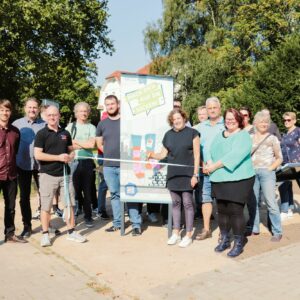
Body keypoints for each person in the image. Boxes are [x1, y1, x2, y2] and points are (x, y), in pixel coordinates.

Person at [205, 108, 255, 257]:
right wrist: (208, 162)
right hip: (219, 178)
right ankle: (225, 239)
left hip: (239, 179)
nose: (230, 121)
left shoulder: (243, 136)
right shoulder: (219, 135)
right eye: (227, 118)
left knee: (235, 211)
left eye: (233, 118)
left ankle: (239, 243)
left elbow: (235, 155)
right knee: (222, 211)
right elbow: (208, 149)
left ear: (239, 119)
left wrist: (213, 166)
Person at [34, 105, 86, 246]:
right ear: (45, 116)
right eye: (49, 115)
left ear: (59, 116)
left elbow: (70, 151)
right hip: (47, 175)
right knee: (46, 205)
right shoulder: (41, 134)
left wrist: (70, 156)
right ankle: (45, 234)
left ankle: (71, 231)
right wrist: (58, 157)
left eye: (55, 115)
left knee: (69, 203)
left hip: (65, 175)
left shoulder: (65, 133)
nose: (52, 117)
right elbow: (38, 154)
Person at [148, 108, 200, 247]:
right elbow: (162, 154)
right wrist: (151, 154)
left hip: (188, 175)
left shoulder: (193, 133)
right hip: (173, 175)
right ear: (171, 122)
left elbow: (197, 156)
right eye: (174, 119)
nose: (176, 121)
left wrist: (195, 175)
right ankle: (176, 233)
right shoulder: (168, 135)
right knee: (175, 204)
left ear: (184, 118)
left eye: (179, 118)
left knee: (188, 203)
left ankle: (188, 234)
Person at [96, 95, 142, 236]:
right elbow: (99, 144)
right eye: (107, 104)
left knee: (129, 194)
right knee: (115, 195)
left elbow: (135, 141)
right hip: (109, 166)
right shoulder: (102, 124)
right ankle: (117, 223)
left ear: (118, 105)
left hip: (126, 165)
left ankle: (136, 224)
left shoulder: (127, 122)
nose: (110, 106)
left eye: (112, 103)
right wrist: (110, 154)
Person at [247, 111, 283, 241]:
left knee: (270, 202)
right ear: (255, 123)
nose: (263, 124)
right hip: (252, 173)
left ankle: (277, 231)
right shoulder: (248, 137)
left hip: (267, 173)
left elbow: (279, 158)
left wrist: (270, 169)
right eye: (261, 121)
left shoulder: (272, 138)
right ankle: (254, 228)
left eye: (266, 122)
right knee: (253, 202)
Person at [12, 97, 45, 238]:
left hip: (41, 166)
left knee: (45, 196)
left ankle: (46, 224)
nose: (32, 110)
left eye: (34, 107)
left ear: (38, 109)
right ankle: (27, 226)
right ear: (25, 108)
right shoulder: (16, 124)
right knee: (24, 197)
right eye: (29, 107)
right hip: (22, 165)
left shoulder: (44, 125)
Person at [194, 96, 225, 240]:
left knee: (222, 201)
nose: (212, 110)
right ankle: (206, 229)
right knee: (206, 199)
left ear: (219, 108)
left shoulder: (227, 124)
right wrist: (201, 165)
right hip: (206, 170)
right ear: (206, 110)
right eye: (209, 108)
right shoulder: (200, 127)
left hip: (222, 170)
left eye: (215, 108)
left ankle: (223, 231)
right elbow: (197, 149)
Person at [0, 99, 27, 243]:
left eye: (7, 110)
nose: (5, 113)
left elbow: (14, 151)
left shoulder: (15, 132)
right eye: (2, 110)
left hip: (11, 174)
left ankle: (10, 234)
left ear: (10, 112)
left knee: (10, 206)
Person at [66, 102, 96, 228]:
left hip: (87, 162)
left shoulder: (92, 127)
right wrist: (83, 143)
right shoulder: (70, 127)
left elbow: (91, 145)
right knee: (74, 191)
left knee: (88, 190)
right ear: (76, 113)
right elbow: (67, 146)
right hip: (73, 162)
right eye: (80, 111)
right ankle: (76, 214)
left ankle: (88, 216)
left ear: (88, 113)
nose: (83, 113)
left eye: (85, 111)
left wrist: (76, 141)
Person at [279, 112, 300, 220]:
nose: (286, 122)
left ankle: (285, 210)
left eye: (289, 120)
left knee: (286, 185)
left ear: (294, 120)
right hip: (286, 164)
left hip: (297, 164)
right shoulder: (285, 134)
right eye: (285, 120)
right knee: (285, 185)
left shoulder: (298, 131)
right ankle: (288, 209)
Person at [193, 105, 208, 219]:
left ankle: (207, 210)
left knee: (209, 189)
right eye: (200, 114)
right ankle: (199, 210)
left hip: (211, 163)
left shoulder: (214, 127)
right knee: (199, 188)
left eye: (204, 113)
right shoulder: (194, 129)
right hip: (198, 163)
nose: (202, 116)